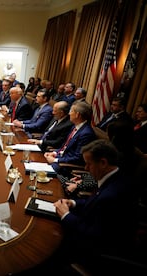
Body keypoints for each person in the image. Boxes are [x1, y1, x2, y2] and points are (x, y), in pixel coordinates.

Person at [50, 139, 137, 274]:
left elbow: (92, 234)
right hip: (91, 226)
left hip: (95, 251)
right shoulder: (114, 176)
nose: (85, 169)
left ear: (103, 163)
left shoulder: (112, 194)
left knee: (47, 240)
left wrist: (66, 215)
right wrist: (72, 203)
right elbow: (94, 202)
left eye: (88, 164)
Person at [44, 101, 96, 176]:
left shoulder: (86, 133)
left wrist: (56, 160)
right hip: (61, 158)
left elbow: (78, 158)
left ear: (77, 115)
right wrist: (55, 153)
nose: (69, 113)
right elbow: (65, 146)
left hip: (66, 167)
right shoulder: (75, 126)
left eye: (71, 111)